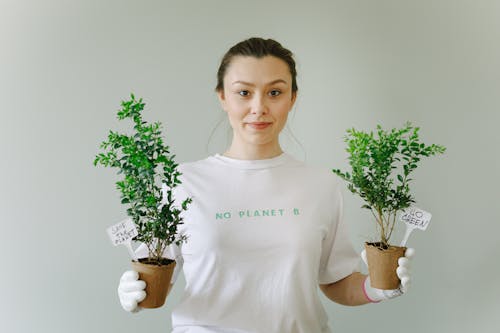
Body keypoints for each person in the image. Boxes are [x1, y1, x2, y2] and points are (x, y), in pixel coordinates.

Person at [117, 37, 414, 333]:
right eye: (244, 92)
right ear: (222, 96)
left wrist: (375, 289)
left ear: (292, 98)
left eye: (274, 92)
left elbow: (335, 281)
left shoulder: (321, 185)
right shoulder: (182, 183)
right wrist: (135, 291)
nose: (258, 107)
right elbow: (157, 278)